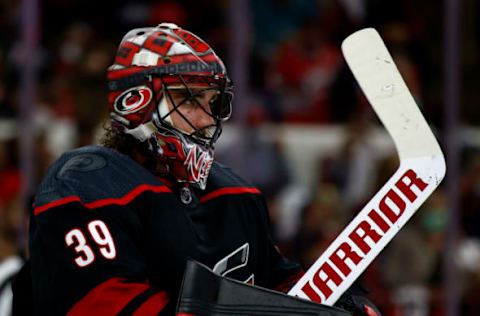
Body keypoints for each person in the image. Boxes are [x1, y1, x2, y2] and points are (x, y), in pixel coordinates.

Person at [16, 23, 379, 315]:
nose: (206, 118)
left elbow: (279, 284)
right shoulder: (86, 181)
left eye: (213, 101)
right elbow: (98, 302)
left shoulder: (235, 193)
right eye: (188, 98)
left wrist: (341, 301)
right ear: (135, 101)